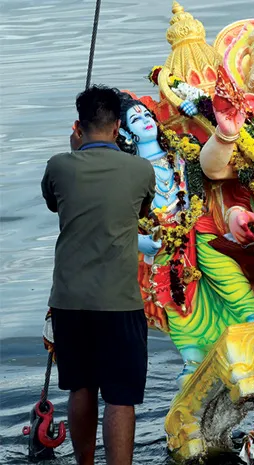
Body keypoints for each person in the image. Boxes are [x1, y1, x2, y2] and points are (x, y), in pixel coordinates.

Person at [42, 85, 155, 465]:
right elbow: (141, 211)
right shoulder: (140, 168)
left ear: (78, 127)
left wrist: (74, 152)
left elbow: (54, 201)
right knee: (121, 398)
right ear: (118, 126)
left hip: (70, 302)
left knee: (80, 388)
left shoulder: (59, 165)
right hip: (119, 302)